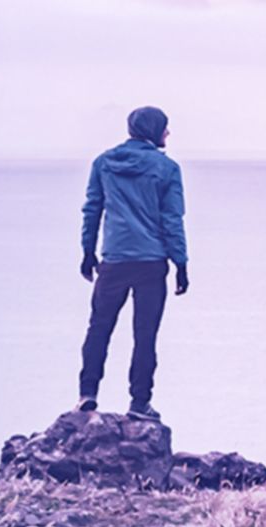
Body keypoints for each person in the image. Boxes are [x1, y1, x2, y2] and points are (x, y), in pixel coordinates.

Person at [76, 106, 189, 422]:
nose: (168, 133)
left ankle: (88, 394)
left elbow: (92, 210)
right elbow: (172, 219)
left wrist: (87, 252)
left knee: (99, 328)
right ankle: (139, 403)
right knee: (145, 334)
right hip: (152, 263)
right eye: (165, 128)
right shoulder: (167, 169)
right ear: (154, 130)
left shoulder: (103, 163)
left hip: (113, 262)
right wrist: (181, 263)